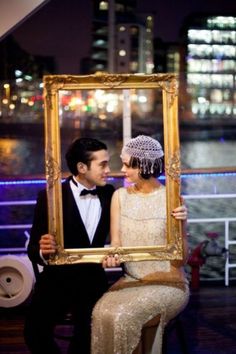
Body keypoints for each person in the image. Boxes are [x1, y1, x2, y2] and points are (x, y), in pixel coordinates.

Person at [91, 135, 189, 354]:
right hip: (132, 279)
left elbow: (181, 260)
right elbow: (116, 244)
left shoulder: (172, 199)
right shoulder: (119, 197)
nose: (122, 169)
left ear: (144, 164)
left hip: (169, 283)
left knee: (124, 316)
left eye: (128, 164)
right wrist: (111, 257)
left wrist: (182, 225)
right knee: (101, 312)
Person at [24, 137, 115, 354]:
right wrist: (43, 250)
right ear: (82, 167)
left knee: (88, 338)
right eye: (102, 164)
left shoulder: (110, 193)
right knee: (34, 333)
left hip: (93, 281)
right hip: (57, 280)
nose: (109, 170)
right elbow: (33, 251)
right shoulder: (49, 197)